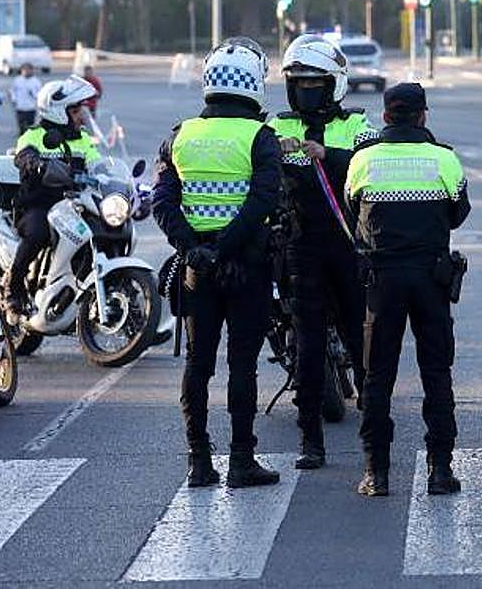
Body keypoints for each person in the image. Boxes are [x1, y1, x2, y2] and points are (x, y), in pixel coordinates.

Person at [152, 37, 284, 489]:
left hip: (197, 271)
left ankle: (199, 462)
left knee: (197, 365)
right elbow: (264, 199)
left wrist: (192, 249)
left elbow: (163, 201)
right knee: (242, 365)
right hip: (245, 266)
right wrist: (226, 246)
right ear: (254, 84)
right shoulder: (259, 137)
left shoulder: (181, 134)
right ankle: (242, 461)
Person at [346, 83, 470, 497]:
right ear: (423, 116)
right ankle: (440, 469)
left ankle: (375, 473)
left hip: (382, 281)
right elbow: (458, 214)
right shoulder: (444, 159)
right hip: (430, 279)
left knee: (377, 376)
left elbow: (352, 207)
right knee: (437, 373)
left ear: (385, 117)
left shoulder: (363, 160)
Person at [268, 35, 376, 470]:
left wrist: (326, 153)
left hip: (348, 244)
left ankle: (375, 436)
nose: (305, 91)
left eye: (315, 83)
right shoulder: (277, 127)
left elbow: (372, 163)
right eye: (298, 83)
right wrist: (272, 153)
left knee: (360, 334)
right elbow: (254, 168)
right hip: (301, 246)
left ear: (335, 85)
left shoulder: (358, 125)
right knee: (307, 346)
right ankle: (310, 440)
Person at [3, 77, 102, 314]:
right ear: (60, 111)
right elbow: (23, 156)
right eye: (77, 110)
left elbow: (100, 167)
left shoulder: (84, 139)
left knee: (104, 230)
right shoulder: (33, 136)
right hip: (39, 206)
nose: (82, 116)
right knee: (37, 233)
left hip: (75, 206)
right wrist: (34, 163)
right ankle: (13, 288)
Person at [11, 63, 41, 134]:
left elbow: (40, 94)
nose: (26, 71)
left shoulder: (36, 81)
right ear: (21, 70)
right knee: (21, 126)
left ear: (31, 71)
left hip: (30, 107)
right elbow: (12, 90)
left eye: (28, 70)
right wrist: (14, 99)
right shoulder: (17, 80)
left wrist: (33, 94)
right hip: (20, 107)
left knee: (30, 126)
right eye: (24, 70)